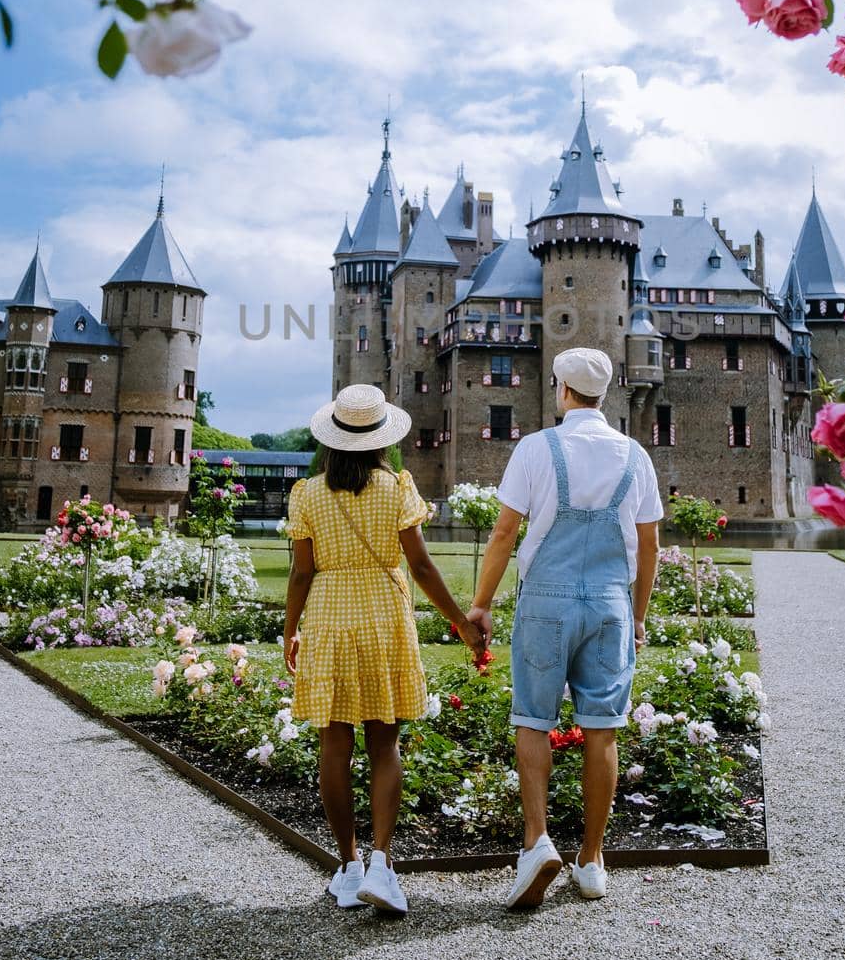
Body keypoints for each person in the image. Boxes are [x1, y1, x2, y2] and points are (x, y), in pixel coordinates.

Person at [467, 347, 662, 907]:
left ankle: (536, 845)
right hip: (608, 603)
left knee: (533, 719)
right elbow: (648, 545)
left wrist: (481, 604)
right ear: (603, 395)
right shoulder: (635, 455)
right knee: (602, 728)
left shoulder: (536, 448)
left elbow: (504, 534)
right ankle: (592, 859)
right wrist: (638, 615)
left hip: (546, 602)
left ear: (561, 390)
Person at [284, 383, 484, 916]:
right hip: (382, 614)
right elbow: (419, 566)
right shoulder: (397, 487)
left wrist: (289, 629)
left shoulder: (306, 494)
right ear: (379, 438)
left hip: (328, 614)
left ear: (331, 439)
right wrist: (460, 621)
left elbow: (302, 571)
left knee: (334, 744)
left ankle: (346, 865)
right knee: (384, 743)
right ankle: (380, 861)